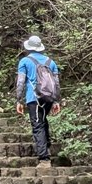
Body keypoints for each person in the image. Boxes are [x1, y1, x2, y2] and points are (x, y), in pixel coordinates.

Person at [15, 35, 61, 164]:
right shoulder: (50, 62)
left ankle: (44, 158)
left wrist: (19, 100)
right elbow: (56, 83)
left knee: (37, 125)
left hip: (33, 98)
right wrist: (56, 101)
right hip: (49, 98)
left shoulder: (24, 61)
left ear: (29, 47)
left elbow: (20, 82)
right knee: (42, 119)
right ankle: (47, 146)